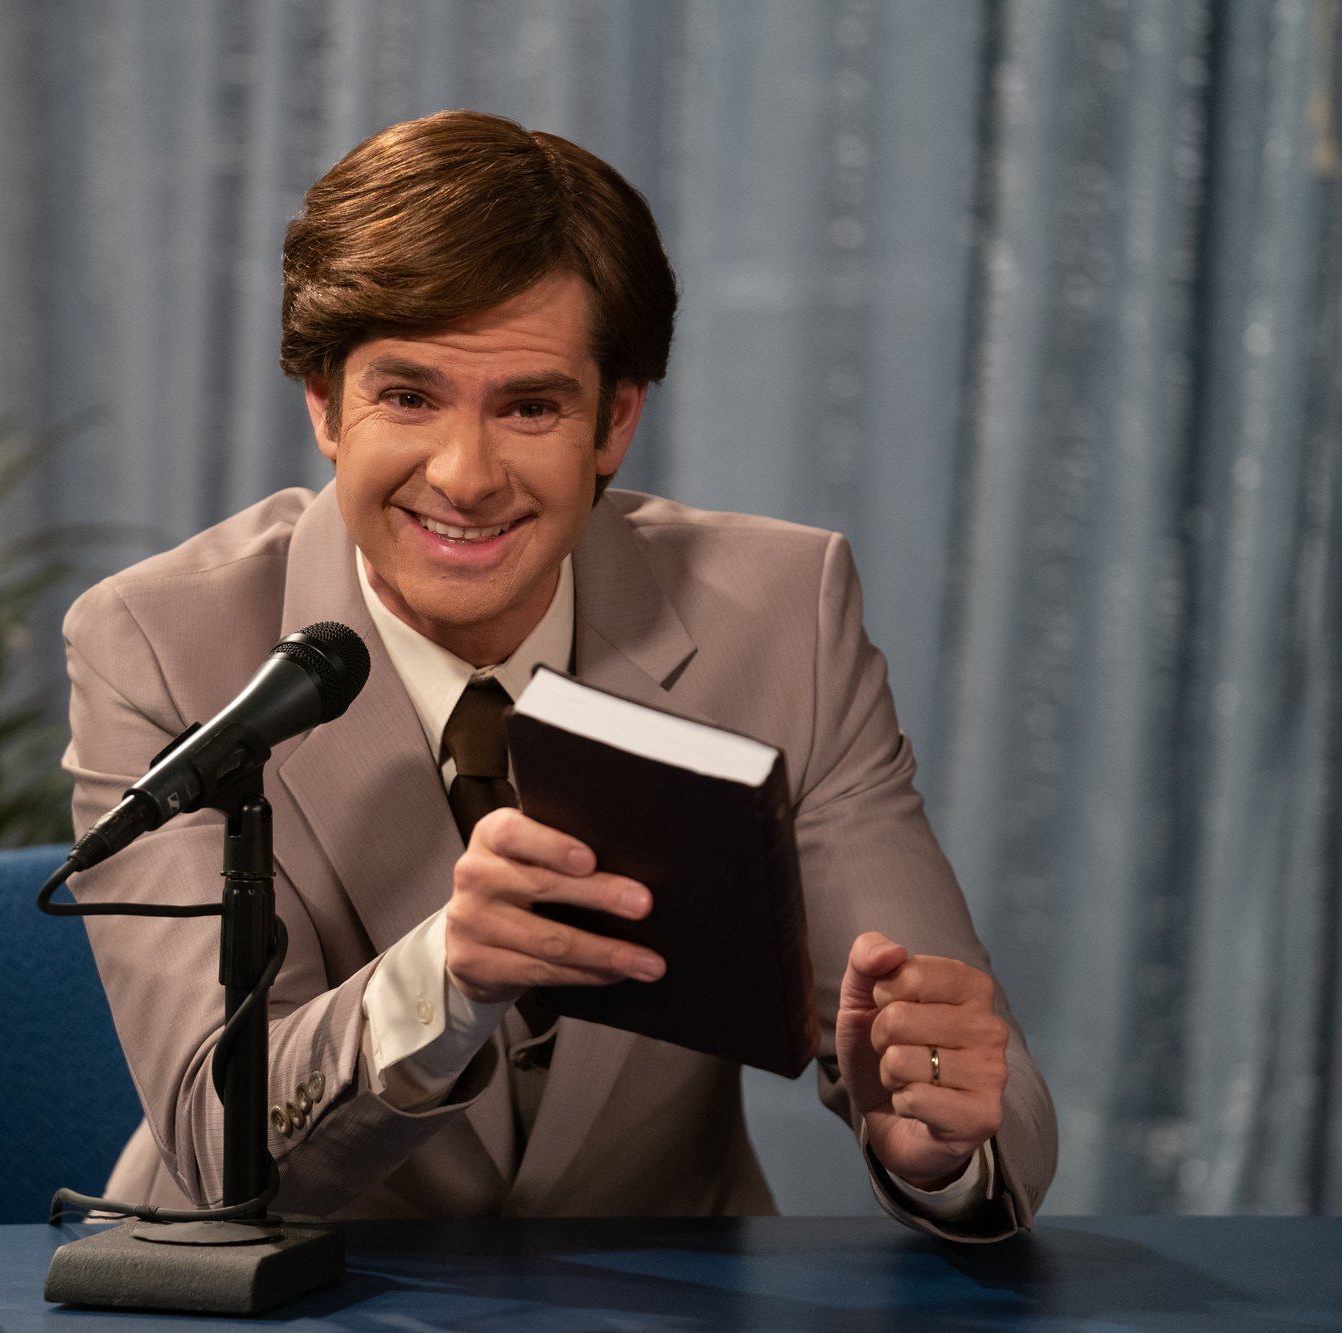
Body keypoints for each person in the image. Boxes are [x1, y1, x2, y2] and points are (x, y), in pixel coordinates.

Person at [61, 109, 1056, 1240]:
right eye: (407, 396)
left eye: (529, 406)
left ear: (613, 421)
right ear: (323, 404)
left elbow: (963, 1065)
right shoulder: (158, 640)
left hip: (660, 1293)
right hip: (282, 1289)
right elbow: (214, 1138)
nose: (464, 474)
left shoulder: (784, 614)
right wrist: (440, 981)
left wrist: (937, 1141)